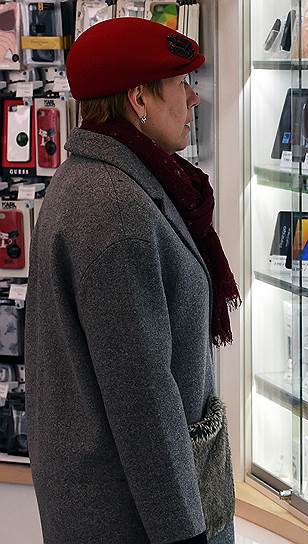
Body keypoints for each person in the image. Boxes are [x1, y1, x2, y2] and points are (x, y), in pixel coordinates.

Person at [24, 18, 237, 544]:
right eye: (181, 84)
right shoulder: (116, 211)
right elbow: (143, 400)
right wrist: (184, 534)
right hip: (131, 517)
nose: (194, 99)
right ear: (140, 99)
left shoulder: (95, 178)